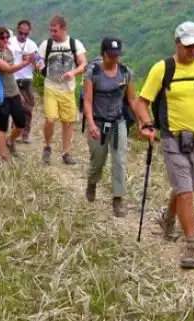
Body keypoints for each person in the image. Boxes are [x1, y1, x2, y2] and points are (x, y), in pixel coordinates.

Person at [133, 21, 194, 269]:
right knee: (187, 191)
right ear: (176, 43)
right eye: (188, 46)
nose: (193, 51)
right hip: (172, 139)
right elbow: (142, 102)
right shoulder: (162, 69)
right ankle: (191, 244)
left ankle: (168, 220)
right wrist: (146, 123)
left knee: (183, 186)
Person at [82, 37, 138, 217]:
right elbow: (88, 101)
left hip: (118, 121)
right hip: (97, 121)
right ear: (103, 54)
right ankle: (92, 182)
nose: (114, 59)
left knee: (119, 160)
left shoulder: (125, 72)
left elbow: (132, 99)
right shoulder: (93, 73)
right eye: (111, 55)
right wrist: (90, 124)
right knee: (98, 159)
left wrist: (144, 121)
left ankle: (118, 199)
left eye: (117, 55)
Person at [37, 15, 88, 165]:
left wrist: (72, 73)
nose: (52, 33)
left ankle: (66, 153)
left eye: (55, 30)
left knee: (68, 122)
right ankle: (47, 146)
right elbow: (39, 60)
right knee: (50, 119)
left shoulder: (75, 43)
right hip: (50, 86)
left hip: (68, 88)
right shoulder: (46, 44)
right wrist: (41, 68)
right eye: (51, 30)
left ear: (64, 29)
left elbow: (83, 63)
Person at [0, 26, 36, 166]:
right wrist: (26, 63)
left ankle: (10, 141)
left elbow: (12, 75)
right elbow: (8, 69)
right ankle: (3, 157)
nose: (5, 40)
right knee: (2, 127)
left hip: (14, 93)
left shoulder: (8, 51)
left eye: (7, 37)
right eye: (2, 37)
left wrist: (19, 93)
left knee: (21, 125)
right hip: (1, 95)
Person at [8, 20, 42, 143]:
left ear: (29, 32)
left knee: (28, 108)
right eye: (21, 33)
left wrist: (33, 59)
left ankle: (25, 133)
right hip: (12, 78)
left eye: (25, 34)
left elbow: (40, 65)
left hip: (26, 79)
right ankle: (15, 131)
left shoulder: (32, 45)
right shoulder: (10, 42)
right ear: (17, 29)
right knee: (16, 107)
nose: (23, 36)